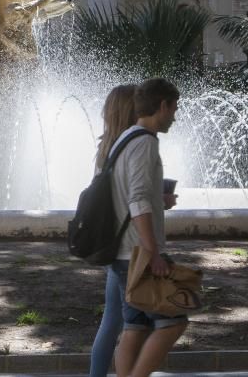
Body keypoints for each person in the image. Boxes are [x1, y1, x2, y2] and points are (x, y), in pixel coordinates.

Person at [87, 82, 181, 377]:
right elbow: (137, 199)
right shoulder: (140, 142)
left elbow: (132, 199)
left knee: (131, 325)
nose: (175, 115)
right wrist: (153, 251)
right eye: (174, 107)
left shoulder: (116, 145)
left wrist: (157, 200)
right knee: (168, 323)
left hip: (121, 249)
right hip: (134, 252)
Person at [87, 84, 138, 377]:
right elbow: (135, 199)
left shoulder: (106, 147)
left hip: (113, 244)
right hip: (129, 247)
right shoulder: (131, 148)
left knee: (112, 320)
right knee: (142, 325)